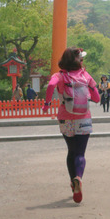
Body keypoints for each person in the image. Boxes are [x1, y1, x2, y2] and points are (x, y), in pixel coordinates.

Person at [44, 47, 101, 204]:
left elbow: (50, 86)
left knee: (71, 150)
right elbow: (96, 97)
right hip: (83, 118)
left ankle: (73, 182)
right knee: (80, 153)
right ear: (77, 61)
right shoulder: (85, 75)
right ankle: (78, 178)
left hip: (65, 118)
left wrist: (47, 103)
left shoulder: (60, 75)